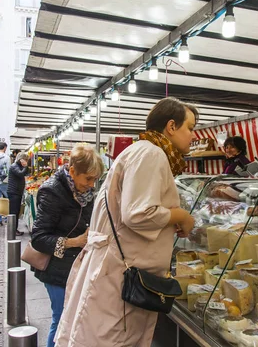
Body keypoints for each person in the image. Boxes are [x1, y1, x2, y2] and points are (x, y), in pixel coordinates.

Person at [56, 97, 197, 347]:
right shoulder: (151, 153)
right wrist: (180, 216)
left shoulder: (144, 151)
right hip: (120, 277)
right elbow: (138, 213)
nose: (193, 136)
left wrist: (166, 220)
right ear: (171, 126)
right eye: (191, 128)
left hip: (117, 272)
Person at [31, 145, 104, 347]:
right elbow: (38, 238)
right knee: (61, 320)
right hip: (56, 270)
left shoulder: (86, 194)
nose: (91, 184)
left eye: (95, 179)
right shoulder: (52, 191)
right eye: (88, 179)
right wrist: (75, 241)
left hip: (78, 267)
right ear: (72, 171)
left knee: (74, 321)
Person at [8, 152, 30, 237]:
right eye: (26, 160)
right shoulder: (14, 166)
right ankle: (13, 231)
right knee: (14, 212)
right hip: (14, 192)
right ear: (21, 159)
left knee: (16, 212)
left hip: (17, 192)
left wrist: (25, 167)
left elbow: (25, 173)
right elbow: (21, 174)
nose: (26, 161)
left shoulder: (17, 166)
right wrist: (25, 166)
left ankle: (14, 229)